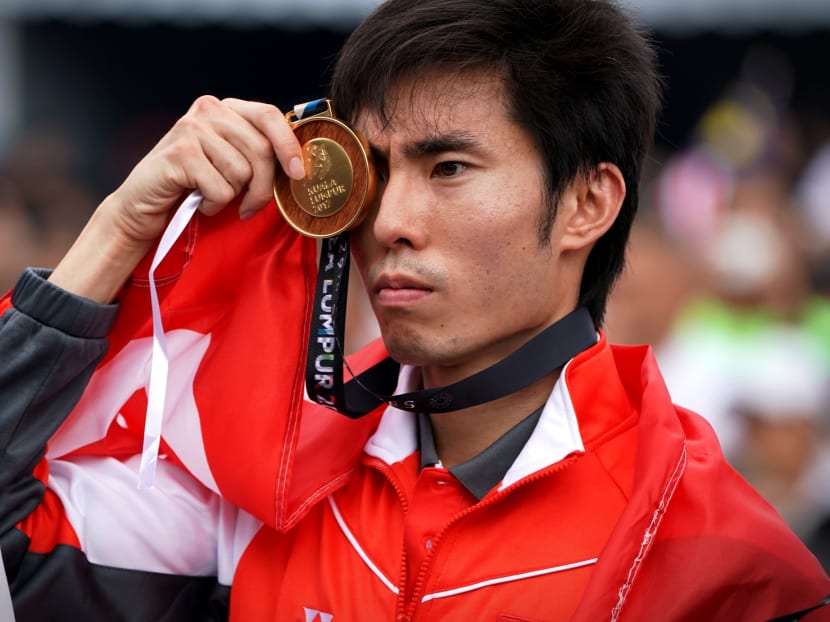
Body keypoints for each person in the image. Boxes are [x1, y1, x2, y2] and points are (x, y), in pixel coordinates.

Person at [1, 0, 829, 620]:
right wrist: (118, 230)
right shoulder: (253, 479)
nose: (389, 221)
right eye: (375, 170)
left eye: (449, 169)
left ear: (587, 203)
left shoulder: (716, 552)